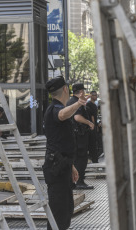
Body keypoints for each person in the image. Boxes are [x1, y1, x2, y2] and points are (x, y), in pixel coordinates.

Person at [43, 76, 86, 230]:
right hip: (56, 168)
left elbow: (60, 144)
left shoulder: (56, 108)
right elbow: (62, 115)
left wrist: (72, 166)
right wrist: (78, 104)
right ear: (66, 89)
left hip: (63, 165)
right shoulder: (55, 109)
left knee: (66, 209)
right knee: (59, 212)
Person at [67, 83, 94, 189]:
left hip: (74, 135)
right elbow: (77, 117)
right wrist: (89, 123)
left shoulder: (71, 101)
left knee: (76, 158)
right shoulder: (75, 102)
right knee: (81, 159)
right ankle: (79, 182)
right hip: (79, 135)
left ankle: (74, 182)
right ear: (81, 92)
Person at [86, 91, 99, 163]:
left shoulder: (94, 104)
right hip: (92, 126)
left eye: (96, 95)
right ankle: (93, 158)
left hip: (93, 125)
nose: (96, 96)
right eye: (95, 95)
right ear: (91, 96)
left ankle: (94, 158)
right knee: (93, 142)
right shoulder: (90, 104)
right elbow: (92, 116)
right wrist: (94, 125)